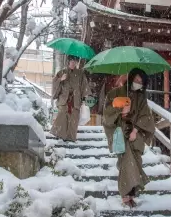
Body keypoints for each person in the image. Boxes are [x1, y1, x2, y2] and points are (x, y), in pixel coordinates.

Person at [102, 68, 155, 208]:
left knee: (135, 163)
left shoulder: (141, 98)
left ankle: (131, 194)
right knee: (126, 163)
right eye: (136, 79)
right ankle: (126, 196)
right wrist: (121, 110)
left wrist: (136, 130)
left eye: (141, 81)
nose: (138, 83)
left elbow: (146, 117)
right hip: (120, 133)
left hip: (135, 136)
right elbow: (107, 115)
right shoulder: (115, 94)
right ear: (131, 78)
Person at [51, 56, 90, 142]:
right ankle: (59, 135)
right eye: (71, 61)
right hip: (64, 99)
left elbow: (84, 86)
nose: (73, 63)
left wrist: (85, 97)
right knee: (62, 115)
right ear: (68, 62)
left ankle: (71, 138)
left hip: (75, 100)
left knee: (74, 118)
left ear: (76, 62)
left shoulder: (80, 74)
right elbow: (54, 83)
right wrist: (61, 79)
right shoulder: (62, 72)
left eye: (74, 61)